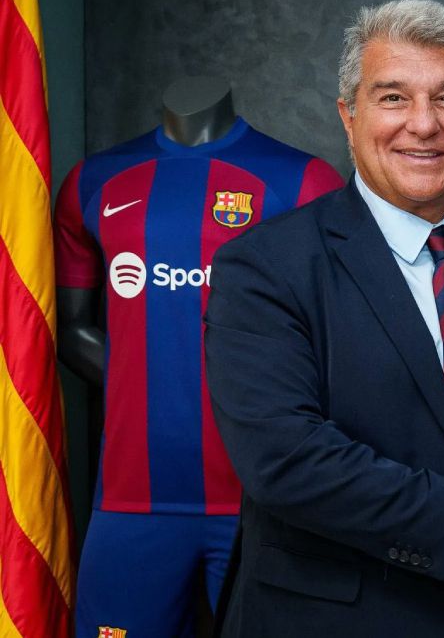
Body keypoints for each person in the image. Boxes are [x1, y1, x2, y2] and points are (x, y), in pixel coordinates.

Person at [203, 0, 444, 637]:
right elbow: (288, 460)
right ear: (348, 116)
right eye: (393, 98)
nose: (424, 124)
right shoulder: (266, 267)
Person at [54, 77, 343, 637]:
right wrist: (144, 382)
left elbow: (337, 338)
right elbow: (70, 329)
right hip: (131, 500)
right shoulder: (93, 182)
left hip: (266, 499)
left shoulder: (302, 181)